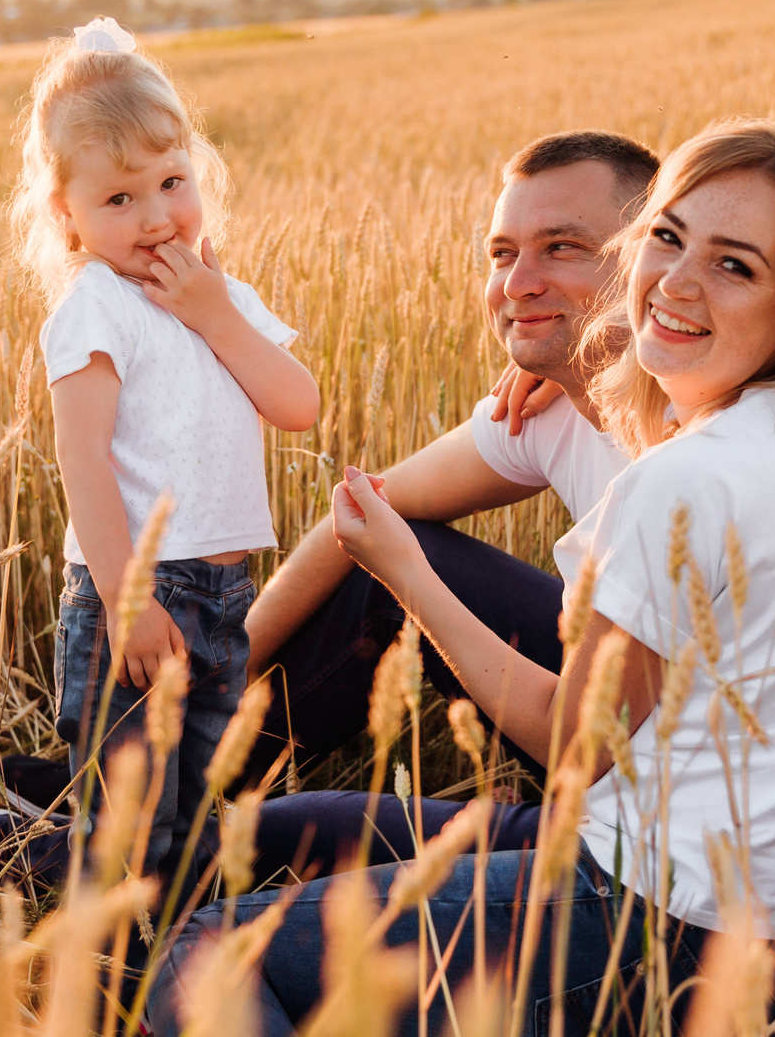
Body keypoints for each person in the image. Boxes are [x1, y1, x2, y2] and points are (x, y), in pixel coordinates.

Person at [148, 119, 775, 1037]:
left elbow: (573, 740)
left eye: (734, 264)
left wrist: (410, 578)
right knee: (280, 832)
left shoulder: (682, 485)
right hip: (709, 901)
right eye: (670, 238)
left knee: (208, 961)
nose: (676, 280)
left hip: (648, 933)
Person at [239, 130, 658, 772]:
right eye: (502, 253)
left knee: (306, 849)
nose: (519, 283)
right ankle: (159, 787)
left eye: (562, 247)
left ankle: (139, 828)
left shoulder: (702, 441)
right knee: (391, 553)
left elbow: (586, 750)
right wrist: (217, 682)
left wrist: (409, 574)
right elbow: (361, 512)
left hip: (679, 801)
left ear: (651, 260)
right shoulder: (544, 406)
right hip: (609, 718)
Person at [11, 16, 319, 884]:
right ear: (67, 218)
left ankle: (139, 937)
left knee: (188, 826)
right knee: (132, 831)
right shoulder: (95, 308)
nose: (154, 218)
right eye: (119, 199)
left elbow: (298, 404)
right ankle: (106, 978)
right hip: (141, 596)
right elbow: (83, 460)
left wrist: (215, 314)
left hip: (223, 598)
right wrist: (127, 596)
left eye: (171, 182)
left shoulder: (218, 296)